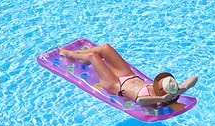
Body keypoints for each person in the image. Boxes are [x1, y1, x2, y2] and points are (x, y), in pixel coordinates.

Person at [59, 43, 198, 106]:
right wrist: (181, 89)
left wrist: (161, 98)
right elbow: (194, 79)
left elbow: (140, 101)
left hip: (115, 85)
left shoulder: (153, 98)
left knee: (93, 56)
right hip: (129, 76)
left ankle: (71, 55)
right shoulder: (173, 90)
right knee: (106, 48)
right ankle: (81, 56)